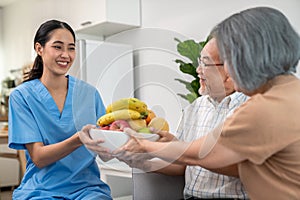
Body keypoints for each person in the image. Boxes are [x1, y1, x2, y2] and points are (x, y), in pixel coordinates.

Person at [113, 7, 300, 199]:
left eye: (228, 58)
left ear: (247, 58)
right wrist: (167, 149)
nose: (228, 68)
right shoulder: (289, 92)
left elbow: (203, 153)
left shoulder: (262, 108)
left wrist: (144, 145)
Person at [117, 35, 249, 199]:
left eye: (205, 64)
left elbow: (241, 167)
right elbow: (183, 165)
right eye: (199, 62)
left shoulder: (249, 109)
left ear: (229, 71)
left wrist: (162, 148)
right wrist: (142, 162)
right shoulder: (195, 108)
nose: (198, 70)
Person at [8, 20, 112, 200]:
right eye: (58, 47)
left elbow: (106, 152)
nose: (66, 55)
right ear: (39, 49)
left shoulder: (89, 94)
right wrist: (79, 139)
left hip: (88, 189)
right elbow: (39, 157)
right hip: (41, 189)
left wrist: (125, 140)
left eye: (71, 48)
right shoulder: (22, 96)